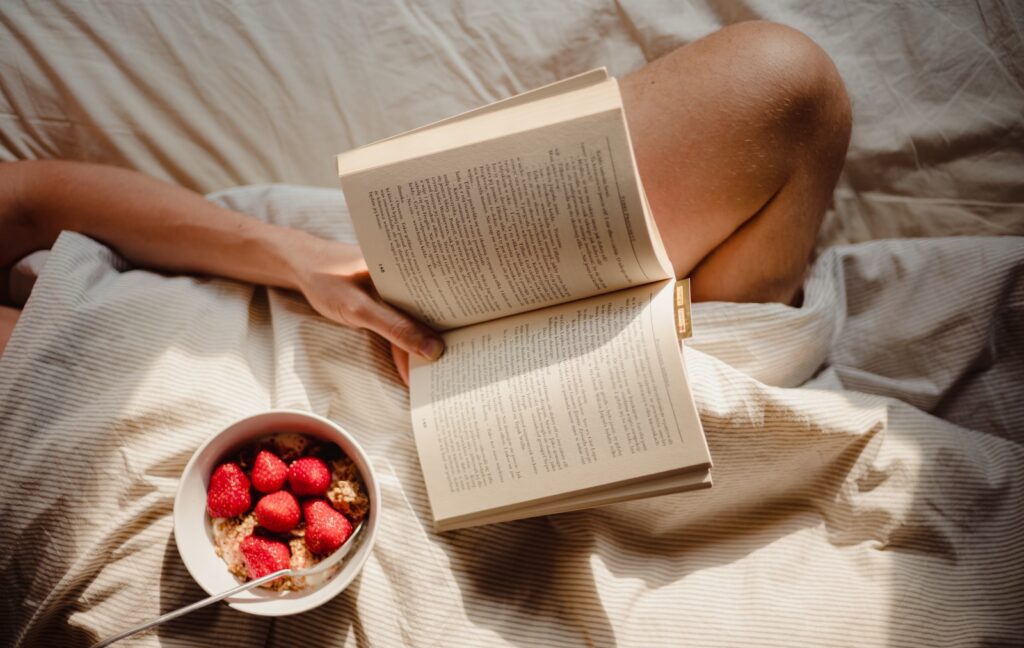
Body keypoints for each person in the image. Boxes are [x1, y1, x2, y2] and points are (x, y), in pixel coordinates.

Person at [0, 22, 850, 383]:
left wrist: (293, 258)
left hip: (299, 305)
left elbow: (32, 201)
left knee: (785, 87)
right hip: (208, 529)